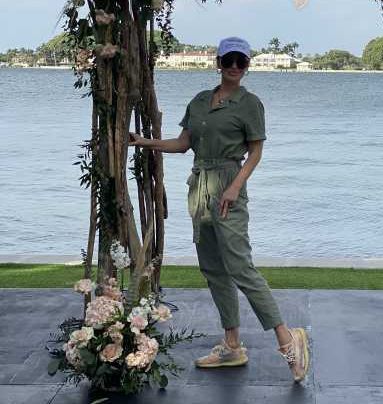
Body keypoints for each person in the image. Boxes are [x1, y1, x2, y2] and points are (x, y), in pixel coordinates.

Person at [128, 36, 310, 382]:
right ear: (218, 63)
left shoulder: (250, 104)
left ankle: (288, 339)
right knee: (213, 269)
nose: (234, 67)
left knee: (240, 267)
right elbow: (183, 143)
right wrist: (143, 142)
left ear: (248, 66)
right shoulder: (199, 101)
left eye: (241, 62)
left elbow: (255, 152)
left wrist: (235, 186)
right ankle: (232, 345)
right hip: (200, 190)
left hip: (229, 187)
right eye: (229, 61)